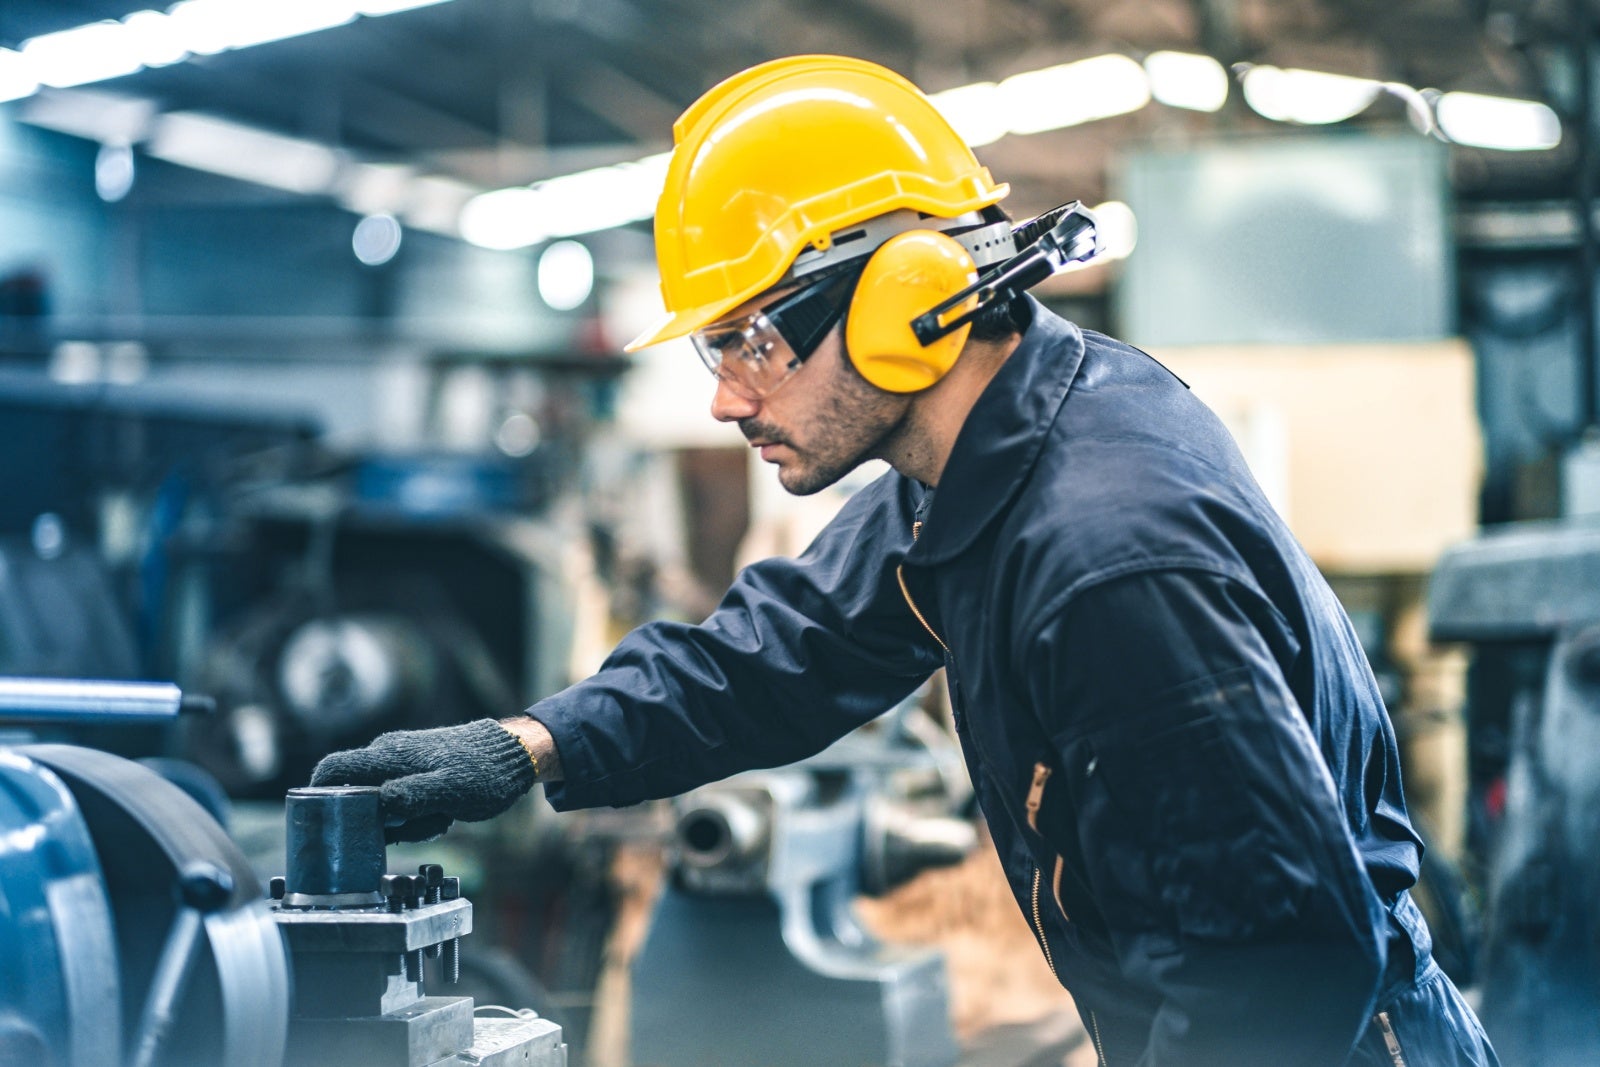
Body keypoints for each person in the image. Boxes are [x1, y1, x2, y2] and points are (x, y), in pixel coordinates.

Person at [313, 54, 1498, 1065]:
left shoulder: (1104, 556)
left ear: (904, 299)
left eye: (752, 342)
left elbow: (1278, 975)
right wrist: (532, 745)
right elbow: (779, 651)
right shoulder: (986, 461)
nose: (726, 399)